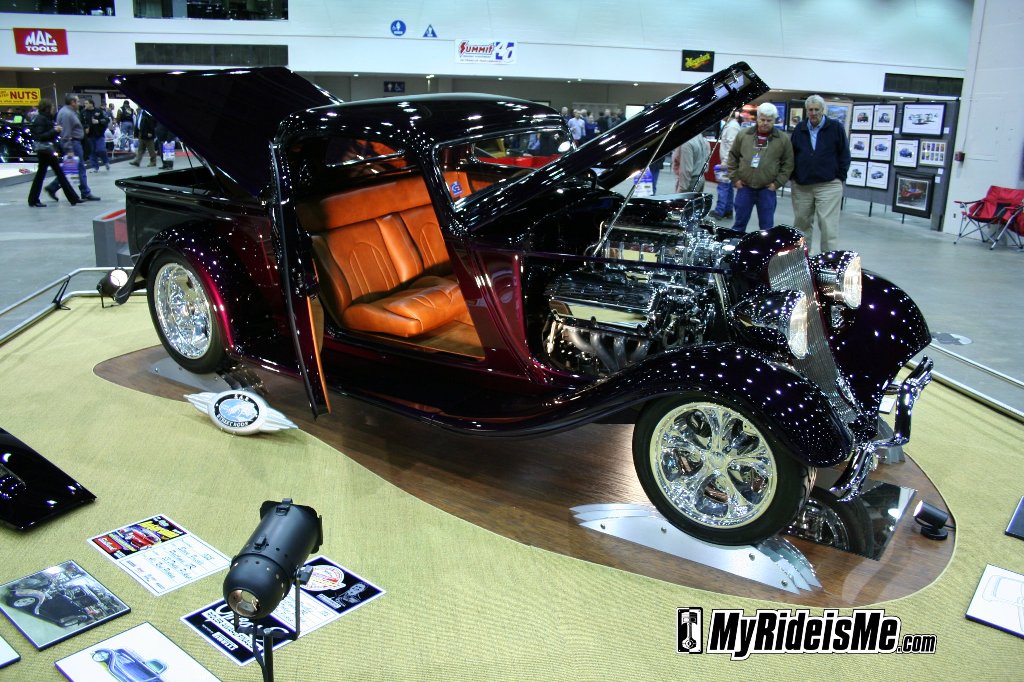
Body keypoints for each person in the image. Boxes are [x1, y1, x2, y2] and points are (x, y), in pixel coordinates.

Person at [789, 94, 851, 252]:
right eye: (810, 109)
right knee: (801, 225)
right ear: (806, 111)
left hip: (828, 185)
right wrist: (793, 177)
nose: (813, 113)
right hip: (802, 186)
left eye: (817, 109)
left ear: (823, 110)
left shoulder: (835, 127)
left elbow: (844, 154)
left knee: (828, 225)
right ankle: (802, 260)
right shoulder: (800, 128)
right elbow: (791, 154)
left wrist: (840, 177)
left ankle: (827, 263)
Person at [726, 102, 793, 232]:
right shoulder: (744, 135)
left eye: (769, 120)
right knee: (739, 225)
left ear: (774, 120)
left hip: (767, 190)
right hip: (744, 188)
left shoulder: (783, 139)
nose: (765, 123)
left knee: (766, 228)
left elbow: (788, 164)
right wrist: (735, 179)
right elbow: (733, 156)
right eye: (762, 119)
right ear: (757, 118)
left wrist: (777, 183)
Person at [27, 99, 81, 207]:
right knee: (47, 174)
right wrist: (55, 130)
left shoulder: (44, 118)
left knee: (53, 174)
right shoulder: (41, 119)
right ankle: (34, 199)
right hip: (45, 151)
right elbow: (40, 136)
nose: (53, 109)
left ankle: (73, 198)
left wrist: (55, 131)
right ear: (47, 108)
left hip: (47, 150)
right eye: (51, 107)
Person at [45, 95, 100, 202]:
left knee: (70, 170)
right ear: (72, 102)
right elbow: (66, 133)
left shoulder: (70, 112)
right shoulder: (66, 114)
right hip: (73, 144)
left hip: (75, 143)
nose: (79, 103)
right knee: (79, 169)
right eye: (78, 101)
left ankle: (53, 187)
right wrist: (69, 149)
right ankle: (85, 192)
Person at [711, 113, 742, 219]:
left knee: (723, 187)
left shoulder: (732, 127)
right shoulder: (733, 125)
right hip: (731, 163)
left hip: (728, 163)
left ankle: (719, 211)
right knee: (728, 188)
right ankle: (727, 210)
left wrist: (724, 163)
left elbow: (731, 147)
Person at [82, 98, 110, 172]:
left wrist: (99, 121)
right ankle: (95, 167)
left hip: (99, 134)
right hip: (89, 135)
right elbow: (81, 122)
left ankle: (106, 161)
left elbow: (107, 119)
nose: (85, 105)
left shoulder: (99, 111)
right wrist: (85, 128)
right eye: (84, 103)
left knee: (101, 149)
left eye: (86, 103)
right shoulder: (83, 112)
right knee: (91, 152)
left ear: (91, 104)